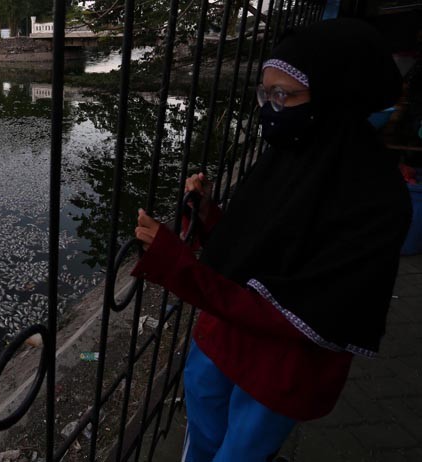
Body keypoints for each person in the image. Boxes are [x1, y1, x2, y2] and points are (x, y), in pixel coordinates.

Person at [131, 19, 411, 462]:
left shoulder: (375, 203)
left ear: (337, 97)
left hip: (279, 371)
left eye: (285, 96)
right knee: (201, 437)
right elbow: (259, 245)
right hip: (222, 343)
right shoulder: (287, 158)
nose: (270, 108)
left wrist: (177, 266)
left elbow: (301, 312)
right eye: (266, 94)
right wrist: (208, 218)